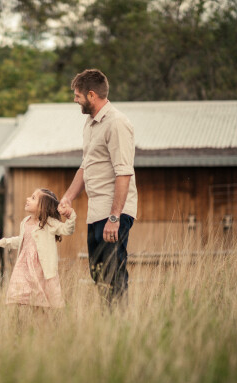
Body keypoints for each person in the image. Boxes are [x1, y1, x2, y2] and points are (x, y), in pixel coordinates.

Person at [59, 69, 138, 302]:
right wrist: (68, 197)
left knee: (113, 273)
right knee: (99, 273)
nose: (75, 100)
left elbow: (124, 172)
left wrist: (114, 217)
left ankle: (119, 319)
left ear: (91, 95)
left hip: (113, 212)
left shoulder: (117, 123)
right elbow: (86, 166)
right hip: (96, 211)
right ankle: (107, 319)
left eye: (78, 95)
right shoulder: (91, 124)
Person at [0, 188, 76, 308]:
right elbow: (21, 240)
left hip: (41, 270)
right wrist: (2, 242)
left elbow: (68, 230)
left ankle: (41, 318)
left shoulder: (50, 223)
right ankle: (21, 318)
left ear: (43, 207)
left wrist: (71, 216)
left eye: (33, 198)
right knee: (18, 297)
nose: (27, 199)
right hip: (24, 267)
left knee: (42, 304)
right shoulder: (25, 222)